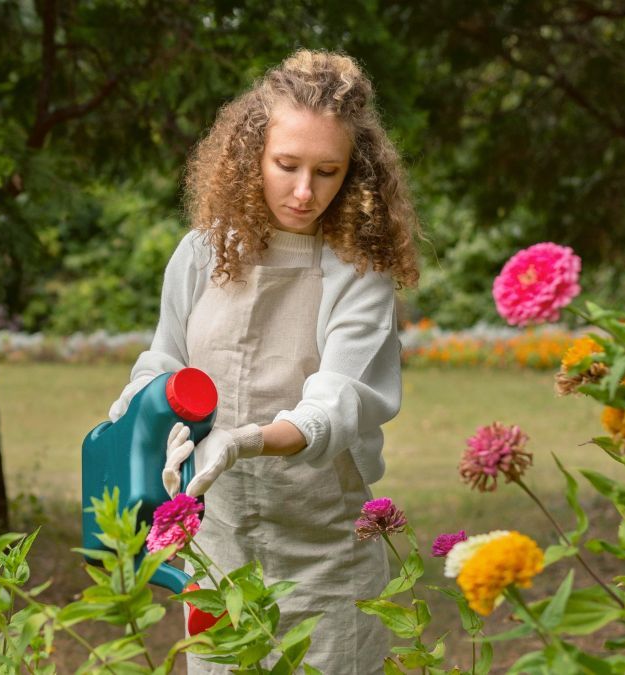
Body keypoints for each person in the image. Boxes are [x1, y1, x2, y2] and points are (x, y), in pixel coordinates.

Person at [107, 50, 421, 673]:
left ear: (354, 173)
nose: (305, 192)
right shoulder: (202, 252)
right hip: (216, 545)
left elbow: (332, 406)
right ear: (251, 153)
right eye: (287, 165)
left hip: (325, 555)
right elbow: (166, 357)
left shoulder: (358, 271)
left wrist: (244, 439)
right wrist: (138, 404)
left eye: (327, 171)